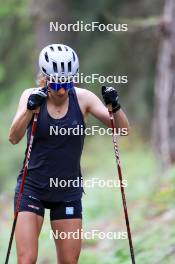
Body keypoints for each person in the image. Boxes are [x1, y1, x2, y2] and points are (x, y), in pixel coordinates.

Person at [8, 44, 129, 264]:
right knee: (26, 260)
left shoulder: (83, 98)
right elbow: (13, 137)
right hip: (32, 187)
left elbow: (121, 129)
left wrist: (116, 106)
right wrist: (28, 109)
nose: (62, 90)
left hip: (67, 191)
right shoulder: (31, 97)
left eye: (66, 82)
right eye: (55, 83)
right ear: (44, 78)